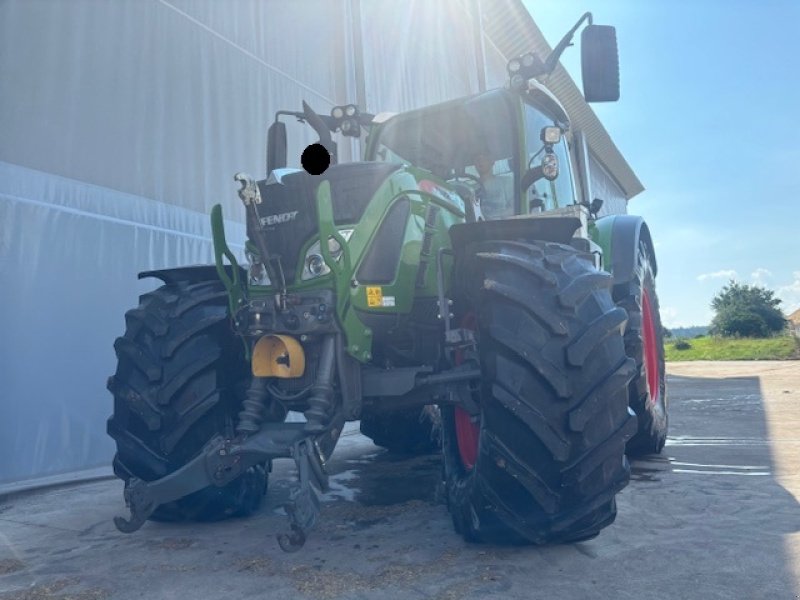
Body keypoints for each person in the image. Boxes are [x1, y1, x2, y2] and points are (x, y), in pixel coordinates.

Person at [474, 152, 514, 219]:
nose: (480, 161)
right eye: (477, 158)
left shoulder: (506, 182)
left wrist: (496, 216)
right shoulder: (470, 189)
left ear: (492, 161)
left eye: (484, 157)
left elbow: (516, 208)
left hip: (501, 226)